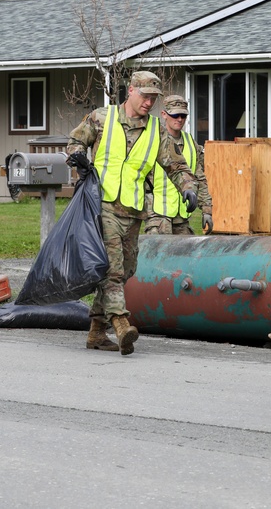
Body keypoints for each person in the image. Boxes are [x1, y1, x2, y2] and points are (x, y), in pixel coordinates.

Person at [66, 72, 198, 355]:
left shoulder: (157, 130)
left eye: (153, 98)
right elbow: (76, 141)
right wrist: (76, 157)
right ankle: (121, 323)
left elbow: (175, 165)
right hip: (101, 205)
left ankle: (96, 333)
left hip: (135, 210)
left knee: (126, 270)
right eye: (145, 96)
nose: (149, 102)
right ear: (131, 91)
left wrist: (189, 188)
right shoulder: (102, 117)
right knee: (112, 268)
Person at [144, 95, 213, 235]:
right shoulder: (152, 140)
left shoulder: (190, 143)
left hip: (182, 216)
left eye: (183, 115)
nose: (179, 119)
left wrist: (206, 210)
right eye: (175, 115)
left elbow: (199, 177)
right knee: (159, 255)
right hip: (157, 215)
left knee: (186, 254)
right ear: (164, 115)